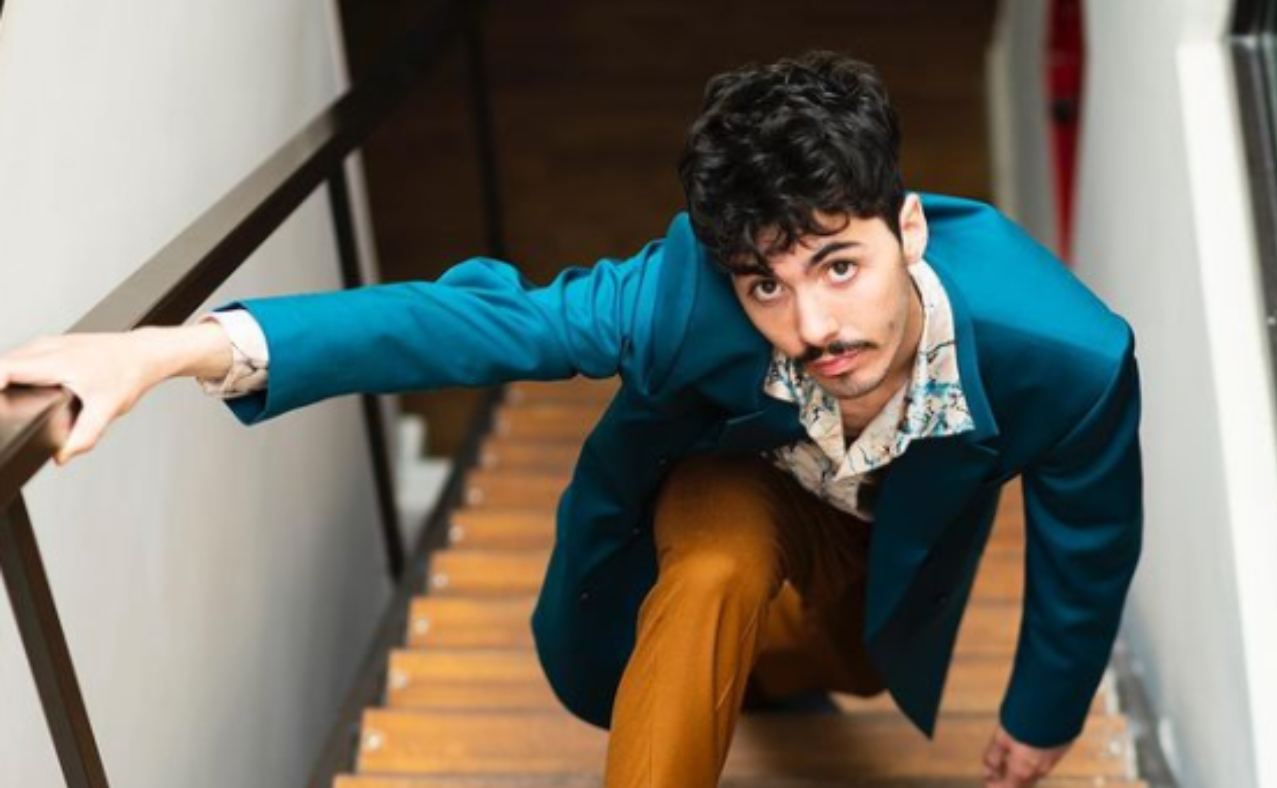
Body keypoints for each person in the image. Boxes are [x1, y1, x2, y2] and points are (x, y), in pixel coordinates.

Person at [0, 51, 1142, 788]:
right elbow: (474, 324)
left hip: (885, 536)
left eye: (839, 265)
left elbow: (1085, 545)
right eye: (766, 284)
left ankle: (768, 662)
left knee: (822, 664)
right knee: (712, 572)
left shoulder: (1068, 360)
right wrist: (167, 349)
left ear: (909, 229)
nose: (810, 325)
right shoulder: (680, 297)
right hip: (739, 482)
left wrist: (1044, 711)